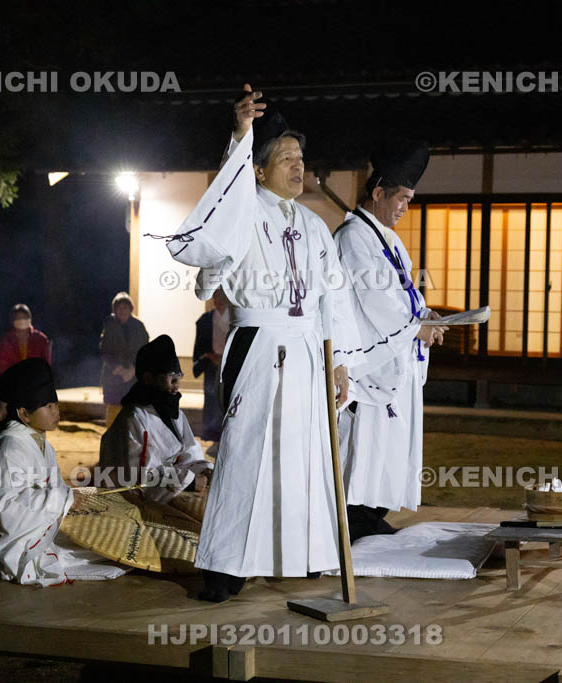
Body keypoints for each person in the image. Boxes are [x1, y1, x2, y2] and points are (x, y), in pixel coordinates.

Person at [152, 84, 364, 602]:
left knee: (304, 453)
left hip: (309, 348)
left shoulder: (315, 227)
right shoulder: (244, 211)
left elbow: (331, 300)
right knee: (248, 453)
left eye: (301, 158)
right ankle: (225, 568)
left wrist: (338, 362)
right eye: (285, 158)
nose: (298, 166)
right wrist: (240, 136)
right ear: (260, 169)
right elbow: (221, 211)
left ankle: (300, 554)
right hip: (259, 345)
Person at [334, 140, 447, 541]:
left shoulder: (388, 240)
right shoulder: (353, 238)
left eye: (410, 200)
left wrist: (423, 314)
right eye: (401, 198)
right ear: (378, 192)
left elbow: (402, 295)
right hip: (370, 366)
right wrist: (415, 327)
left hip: (395, 359)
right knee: (364, 452)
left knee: (389, 450)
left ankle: (368, 516)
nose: (404, 207)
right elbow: (375, 300)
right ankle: (353, 521)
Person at [0, 358, 125, 586]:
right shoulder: (11, 449)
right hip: (10, 539)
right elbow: (7, 506)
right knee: (94, 562)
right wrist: (63, 498)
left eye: (55, 404)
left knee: (107, 555)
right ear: (24, 414)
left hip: (38, 531)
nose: (57, 412)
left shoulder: (44, 445)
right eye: (48, 407)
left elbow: (54, 487)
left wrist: (71, 498)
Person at [99, 335, 211, 501]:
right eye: (170, 377)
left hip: (170, 492)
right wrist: (189, 482)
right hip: (135, 503)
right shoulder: (134, 418)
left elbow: (189, 452)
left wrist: (204, 469)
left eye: (178, 376)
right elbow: (139, 477)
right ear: (148, 378)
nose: (176, 385)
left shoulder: (175, 415)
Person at [99, 292, 149, 427]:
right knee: (114, 409)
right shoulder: (110, 325)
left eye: (125, 307)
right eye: (119, 308)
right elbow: (104, 351)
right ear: (114, 310)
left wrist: (132, 369)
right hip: (114, 375)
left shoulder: (139, 327)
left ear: (130, 309)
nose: (122, 311)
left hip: (134, 376)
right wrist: (118, 368)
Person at [192, 288, 230, 442]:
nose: (219, 301)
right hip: (212, 362)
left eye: (222, 297)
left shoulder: (235, 317)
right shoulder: (206, 319)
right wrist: (207, 356)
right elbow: (200, 343)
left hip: (229, 363)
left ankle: (225, 432)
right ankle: (209, 432)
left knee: (227, 397)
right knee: (210, 396)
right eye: (216, 297)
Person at [0, 303, 51, 374]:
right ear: (13, 320)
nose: (22, 320)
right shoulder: (6, 341)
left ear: (30, 319)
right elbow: (3, 365)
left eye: (24, 317)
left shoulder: (41, 339)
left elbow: (46, 364)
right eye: (18, 318)